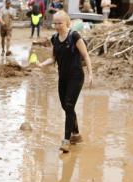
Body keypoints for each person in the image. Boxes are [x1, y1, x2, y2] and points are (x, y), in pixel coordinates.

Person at [37, 11, 93, 152]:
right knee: (66, 107)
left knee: (68, 105)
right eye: (54, 23)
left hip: (76, 76)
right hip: (63, 77)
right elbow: (53, 58)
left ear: (67, 22)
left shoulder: (74, 36)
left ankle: (66, 140)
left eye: (59, 23)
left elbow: (85, 55)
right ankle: (77, 134)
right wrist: (41, 64)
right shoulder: (54, 38)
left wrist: (91, 74)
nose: (56, 26)